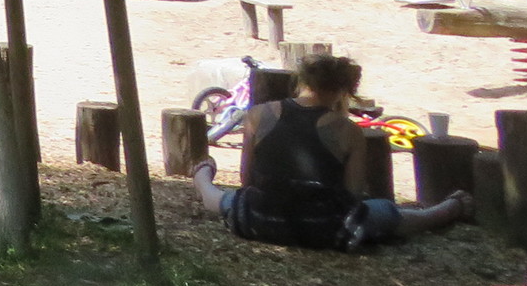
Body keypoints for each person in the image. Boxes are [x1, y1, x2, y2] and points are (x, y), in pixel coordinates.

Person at [189, 53, 469, 249]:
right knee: (387, 211)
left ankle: (202, 176)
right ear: (342, 90)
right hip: (325, 227)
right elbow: (352, 193)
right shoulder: (347, 130)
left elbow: (247, 179)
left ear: (301, 81)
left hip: (258, 219)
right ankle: (446, 210)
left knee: (222, 199)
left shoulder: (257, 115)